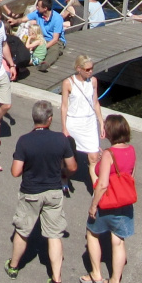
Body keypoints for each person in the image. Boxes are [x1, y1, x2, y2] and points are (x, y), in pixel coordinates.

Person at [5, 99, 76, 283]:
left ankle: (13, 266)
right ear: (50, 119)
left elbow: (15, 171)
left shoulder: (24, 141)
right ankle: (56, 280)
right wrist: (62, 173)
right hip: (53, 192)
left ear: (34, 118)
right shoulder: (61, 140)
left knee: (22, 230)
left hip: (31, 192)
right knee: (54, 235)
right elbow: (72, 167)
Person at [83, 114, 136, 283]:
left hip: (107, 202)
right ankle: (114, 281)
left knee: (92, 233)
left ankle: (96, 274)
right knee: (118, 241)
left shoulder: (108, 154)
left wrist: (93, 205)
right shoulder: (131, 150)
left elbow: (103, 183)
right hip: (124, 203)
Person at [61, 55, 105, 190]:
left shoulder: (93, 81)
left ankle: (96, 189)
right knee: (70, 159)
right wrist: (64, 127)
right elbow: (64, 106)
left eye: (92, 68)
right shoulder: (68, 83)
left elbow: (95, 103)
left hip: (89, 122)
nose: (90, 71)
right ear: (78, 69)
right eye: (87, 69)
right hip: (74, 123)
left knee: (94, 157)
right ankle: (64, 177)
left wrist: (101, 122)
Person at [24, 0, 64, 68]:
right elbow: (25, 18)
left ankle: (46, 63)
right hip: (41, 37)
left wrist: (43, 47)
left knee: (54, 49)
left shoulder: (57, 18)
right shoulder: (37, 13)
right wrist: (16, 21)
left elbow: (55, 39)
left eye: (38, 6)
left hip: (54, 40)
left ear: (45, 8)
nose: (37, 8)